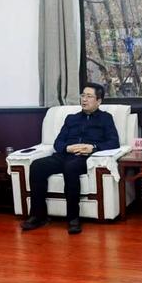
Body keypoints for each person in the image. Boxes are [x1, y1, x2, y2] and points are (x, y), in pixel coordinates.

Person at [21, 83, 120, 235]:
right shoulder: (71, 119)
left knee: (71, 167)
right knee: (37, 166)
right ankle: (37, 216)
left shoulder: (105, 118)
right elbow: (58, 143)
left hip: (84, 158)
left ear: (99, 101)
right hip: (64, 155)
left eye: (89, 96)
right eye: (83, 95)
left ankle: (73, 218)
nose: (84, 99)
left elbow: (114, 142)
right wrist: (68, 148)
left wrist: (93, 147)